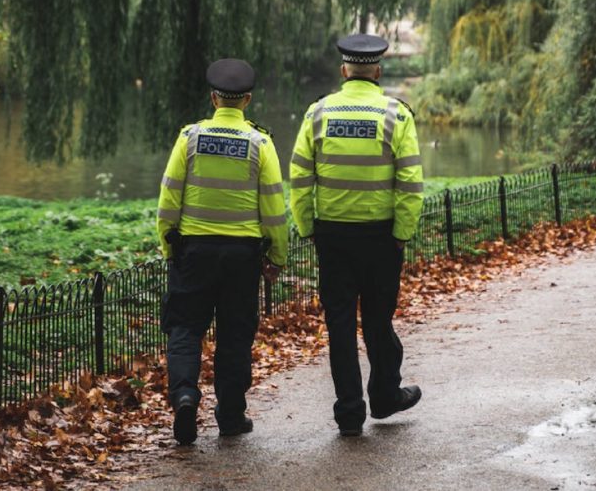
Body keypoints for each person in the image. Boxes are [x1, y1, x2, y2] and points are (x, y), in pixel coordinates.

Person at [289, 34, 424, 436]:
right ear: (378, 71)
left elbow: (298, 177)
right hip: (382, 237)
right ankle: (384, 395)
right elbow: (411, 182)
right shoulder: (397, 115)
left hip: (333, 238)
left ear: (344, 70)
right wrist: (402, 233)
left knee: (341, 325)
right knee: (379, 321)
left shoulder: (318, 113)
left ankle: (350, 411)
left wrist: (308, 226)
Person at [156, 58, 288, 445]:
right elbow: (274, 210)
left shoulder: (189, 139)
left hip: (193, 252)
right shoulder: (260, 144)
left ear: (214, 98)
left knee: (184, 328)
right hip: (241, 257)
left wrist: (168, 245)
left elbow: (168, 199)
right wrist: (276, 257)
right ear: (246, 100)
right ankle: (230, 416)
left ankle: (184, 395)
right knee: (234, 335)